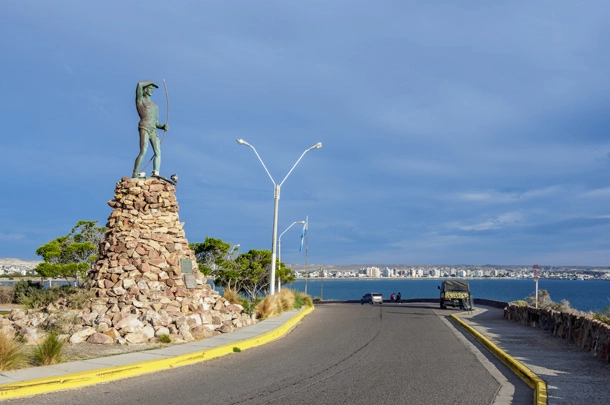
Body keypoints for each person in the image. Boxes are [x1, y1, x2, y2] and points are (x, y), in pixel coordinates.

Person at [132, 81, 168, 178]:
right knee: (143, 150)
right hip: (144, 127)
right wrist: (152, 82)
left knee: (158, 152)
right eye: (150, 88)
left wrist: (163, 126)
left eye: (152, 88)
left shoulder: (155, 106)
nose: (151, 90)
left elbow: (156, 122)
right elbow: (139, 84)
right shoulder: (141, 101)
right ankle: (135, 172)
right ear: (145, 89)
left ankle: (156, 172)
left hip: (153, 129)